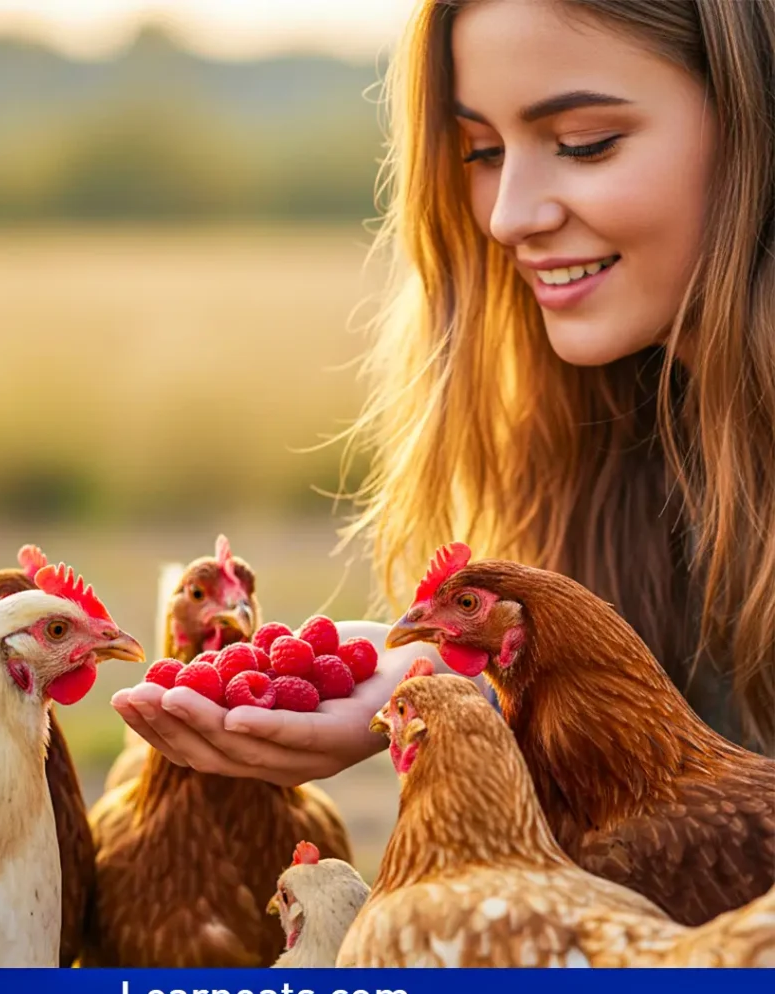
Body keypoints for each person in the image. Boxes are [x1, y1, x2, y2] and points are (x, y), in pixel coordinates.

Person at [111, 0, 775, 784]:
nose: (507, 216)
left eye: (583, 144)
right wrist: (449, 677)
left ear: (754, 120)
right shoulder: (631, 441)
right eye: (481, 152)